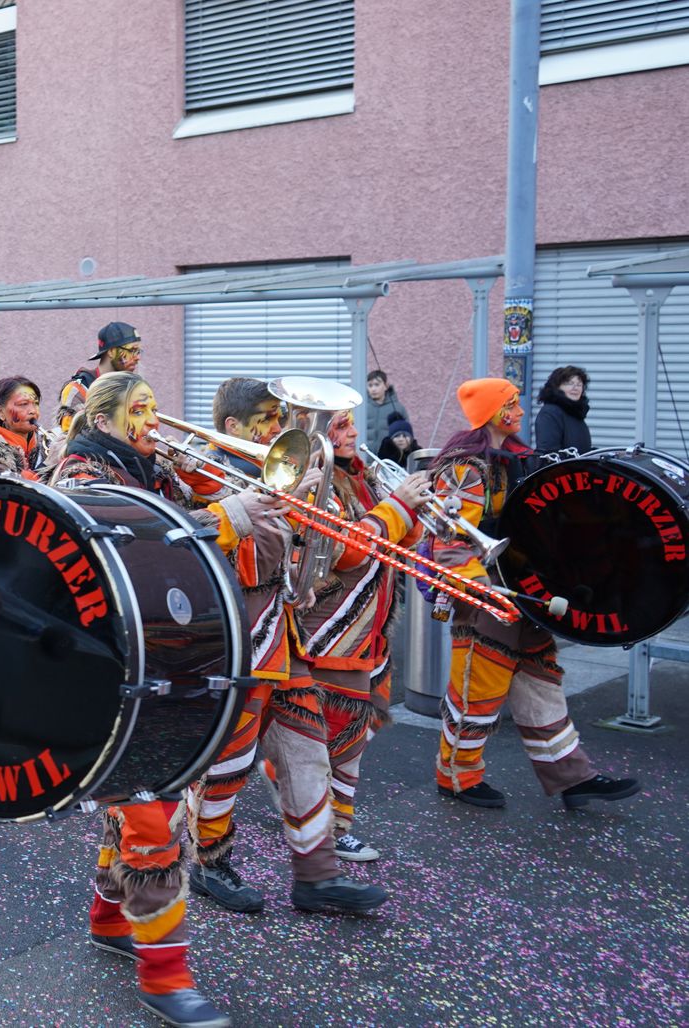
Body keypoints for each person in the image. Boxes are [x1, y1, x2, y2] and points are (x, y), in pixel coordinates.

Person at [51, 372, 264, 1028]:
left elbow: (209, 508)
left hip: (160, 655)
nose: (153, 418)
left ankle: (108, 917)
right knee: (153, 809)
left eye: (154, 406)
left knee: (139, 800)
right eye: (139, 409)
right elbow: (133, 544)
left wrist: (249, 489)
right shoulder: (80, 469)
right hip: (107, 665)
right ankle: (165, 974)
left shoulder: (153, 466)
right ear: (106, 417)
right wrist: (224, 520)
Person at [177, 378, 385, 917]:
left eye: (277, 419)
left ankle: (317, 875)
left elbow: (308, 558)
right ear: (233, 429)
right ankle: (209, 861)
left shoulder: (275, 471)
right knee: (230, 760)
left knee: (306, 748)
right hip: (236, 639)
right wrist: (285, 504)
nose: (277, 431)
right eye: (267, 421)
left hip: (280, 637)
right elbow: (232, 561)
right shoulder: (202, 476)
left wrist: (308, 545)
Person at [431, 378, 639, 810]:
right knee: (477, 692)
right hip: (488, 599)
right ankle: (456, 777)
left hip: (525, 596)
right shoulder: (466, 468)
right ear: (492, 413)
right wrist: (484, 592)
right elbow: (449, 543)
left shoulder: (517, 459)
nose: (521, 411)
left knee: (542, 686)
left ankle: (572, 776)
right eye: (510, 404)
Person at [291, 410, 431, 863]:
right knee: (339, 737)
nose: (353, 433)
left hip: (372, 630)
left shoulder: (365, 476)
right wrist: (398, 508)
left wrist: (420, 515)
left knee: (356, 732)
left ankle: (307, 799)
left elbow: (395, 542)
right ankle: (332, 828)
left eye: (352, 425)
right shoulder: (317, 482)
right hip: (334, 631)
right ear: (317, 434)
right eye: (340, 427)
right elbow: (347, 550)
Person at [55, 322, 142, 433]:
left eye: (139, 351)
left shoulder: (133, 389)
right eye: (132, 350)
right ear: (111, 351)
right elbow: (69, 439)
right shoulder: (77, 389)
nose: (138, 357)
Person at [534, 365, 592, 454]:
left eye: (579, 384)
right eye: (569, 383)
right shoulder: (550, 413)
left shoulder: (577, 413)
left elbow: (582, 449)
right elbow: (549, 454)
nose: (575, 388)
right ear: (556, 387)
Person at [363, 370, 411, 453]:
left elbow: (406, 435)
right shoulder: (362, 408)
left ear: (386, 386)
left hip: (388, 460)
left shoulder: (397, 408)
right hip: (365, 458)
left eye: (377, 385)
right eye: (370, 385)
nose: (373, 389)